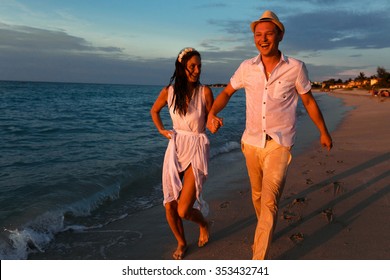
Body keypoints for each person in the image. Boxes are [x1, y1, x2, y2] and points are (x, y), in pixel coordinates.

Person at [207, 10, 333, 260]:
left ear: (280, 35)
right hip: (250, 143)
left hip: (279, 144)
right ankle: (266, 228)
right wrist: (211, 112)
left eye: (268, 34)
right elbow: (226, 93)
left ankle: (259, 260)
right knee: (257, 195)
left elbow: (308, 102)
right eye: (258, 35)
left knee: (269, 200)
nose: (263, 39)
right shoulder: (246, 67)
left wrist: (323, 132)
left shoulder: (295, 68)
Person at [150, 47, 213, 260]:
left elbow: (211, 121)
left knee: (184, 210)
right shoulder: (168, 92)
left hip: (196, 148)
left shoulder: (204, 92)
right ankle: (182, 242)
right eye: (192, 66)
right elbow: (154, 111)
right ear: (181, 67)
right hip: (175, 149)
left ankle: (204, 224)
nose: (197, 70)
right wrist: (161, 130)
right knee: (170, 205)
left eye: (199, 66)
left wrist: (215, 123)